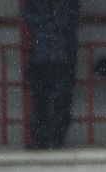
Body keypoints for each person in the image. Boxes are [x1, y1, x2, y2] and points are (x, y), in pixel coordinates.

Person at [22, 0, 79, 149]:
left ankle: (44, 139)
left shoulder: (36, 5)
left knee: (42, 100)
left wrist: (44, 22)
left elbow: (28, 17)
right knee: (59, 100)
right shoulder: (68, 5)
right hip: (61, 56)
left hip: (42, 55)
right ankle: (55, 139)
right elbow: (67, 21)